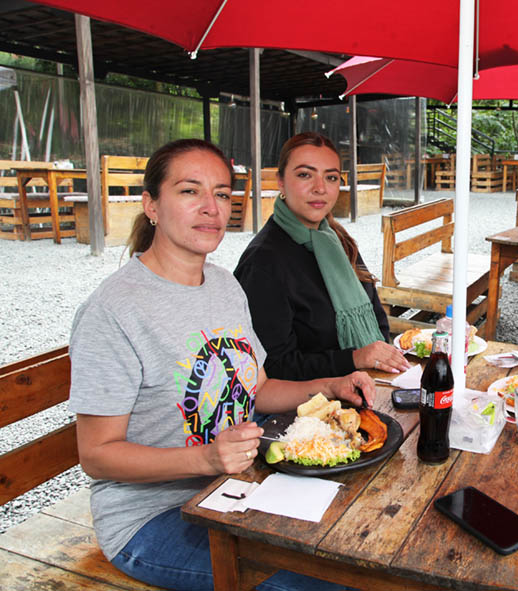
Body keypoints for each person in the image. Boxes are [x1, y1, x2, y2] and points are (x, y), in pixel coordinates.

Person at [69, 138, 374, 591]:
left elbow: (259, 389)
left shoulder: (224, 286)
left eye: (223, 194)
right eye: (190, 191)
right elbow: (96, 455)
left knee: (362, 547)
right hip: (153, 518)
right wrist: (206, 457)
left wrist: (329, 385)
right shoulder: (114, 310)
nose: (212, 208)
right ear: (151, 205)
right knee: (325, 584)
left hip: (238, 485)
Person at [234, 132, 409, 381]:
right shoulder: (263, 262)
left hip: (369, 382)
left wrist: (378, 358)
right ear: (281, 182)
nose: (320, 188)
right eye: (305, 175)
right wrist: (354, 358)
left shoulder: (337, 240)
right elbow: (274, 367)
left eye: (331, 177)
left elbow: (376, 315)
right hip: (310, 401)